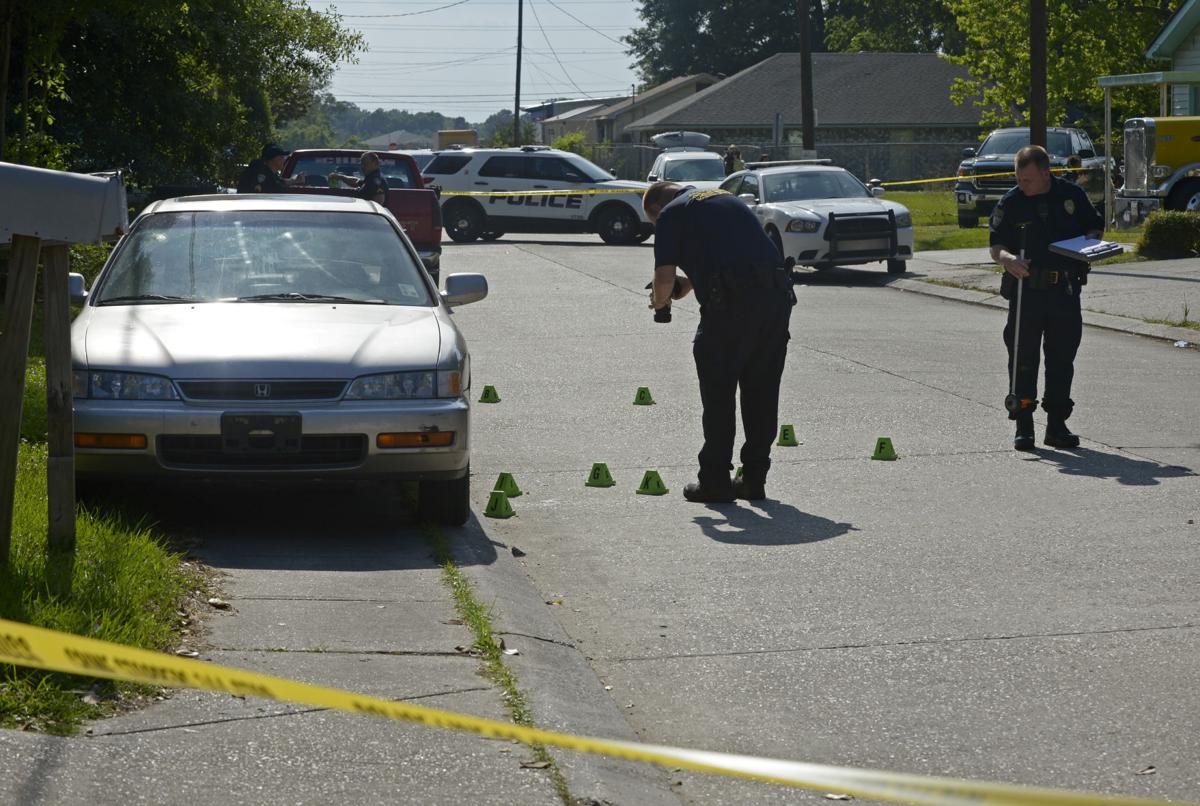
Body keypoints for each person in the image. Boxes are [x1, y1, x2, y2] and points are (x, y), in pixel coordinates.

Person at [643, 181, 796, 502]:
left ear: (656, 209)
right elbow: (737, 257)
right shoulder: (725, 198)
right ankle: (754, 478)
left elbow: (663, 277)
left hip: (731, 307)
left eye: (653, 223)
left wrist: (660, 302)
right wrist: (692, 284)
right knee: (761, 389)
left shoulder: (671, 214)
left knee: (718, 390)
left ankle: (715, 480)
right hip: (775, 299)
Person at [989, 145, 1103, 451]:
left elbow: (1094, 224)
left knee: (1061, 359)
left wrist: (1090, 243)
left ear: (1045, 173)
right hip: (1027, 292)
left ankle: (1057, 426)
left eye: (1027, 180)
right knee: (1023, 359)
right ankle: (1024, 426)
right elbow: (996, 243)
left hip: (1064, 291)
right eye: (1018, 178)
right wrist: (1008, 259)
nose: (1022, 185)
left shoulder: (1071, 196)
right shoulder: (1012, 202)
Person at [236, 144, 303, 193]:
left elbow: (280, 181)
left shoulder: (269, 173)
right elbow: (277, 188)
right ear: (274, 159)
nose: (284, 159)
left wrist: (295, 180)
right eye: (281, 157)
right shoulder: (261, 175)